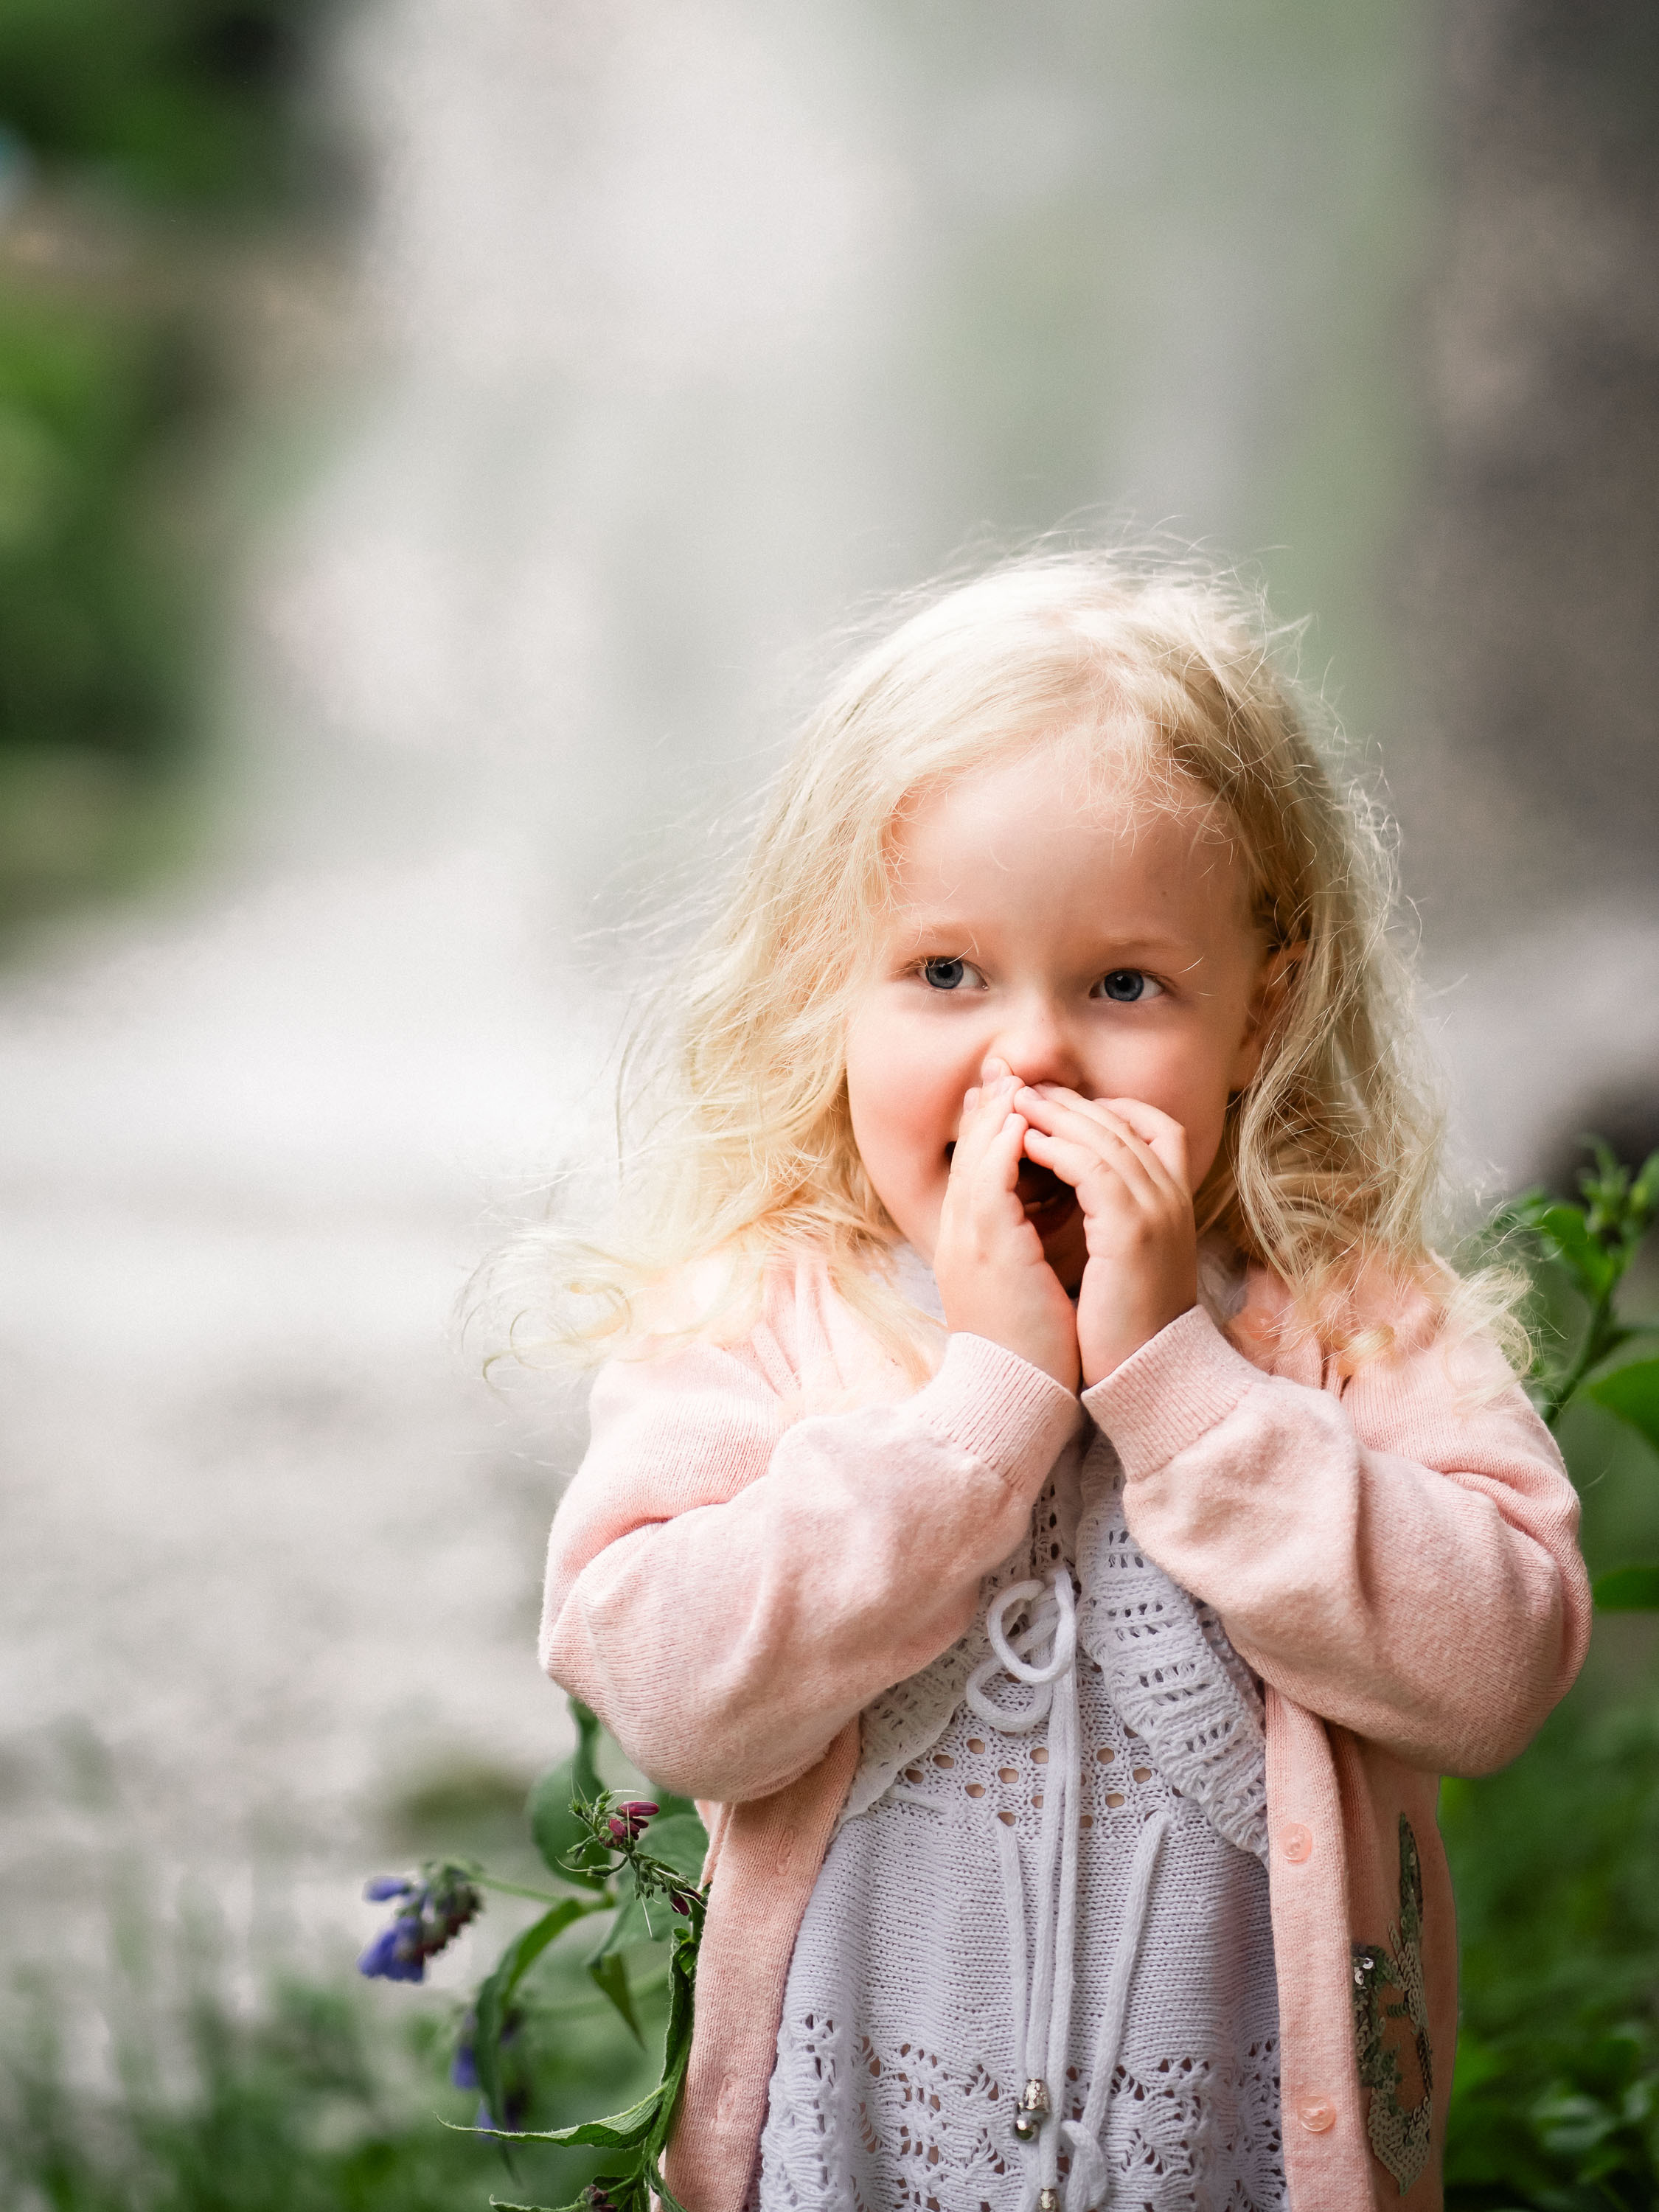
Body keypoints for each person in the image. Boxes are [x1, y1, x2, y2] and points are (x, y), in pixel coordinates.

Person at [535, 552, 1590, 2212]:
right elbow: (666, 1694)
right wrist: (981, 1411)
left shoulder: (1349, 1320)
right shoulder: (765, 1316)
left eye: (1123, 984)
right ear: (830, 984)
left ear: (1262, 1012)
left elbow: (1500, 1671)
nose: (1026, 1054)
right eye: (946, 973)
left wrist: (1180, 1386)